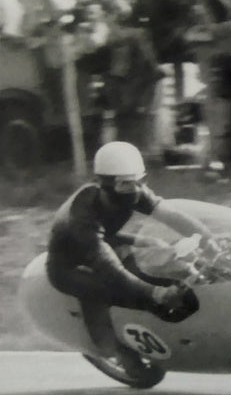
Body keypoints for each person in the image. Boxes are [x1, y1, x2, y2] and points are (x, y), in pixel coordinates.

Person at [45, 142, 213, 377]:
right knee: (102, 289)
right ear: (104, 184)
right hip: (70, 265)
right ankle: (118, 353)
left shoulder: (134, 190)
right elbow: (107, 267)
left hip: (105, 243)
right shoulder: (81, 212)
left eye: (139, 181)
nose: (134, 189)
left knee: (153, 267)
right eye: (125, 184)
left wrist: (209, 239)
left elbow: (173, 216)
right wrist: (154, 293)